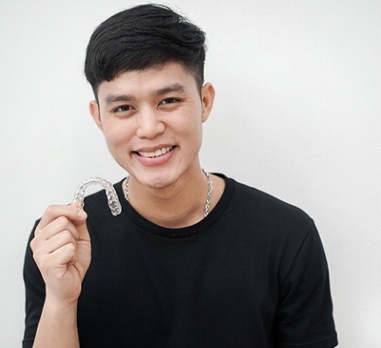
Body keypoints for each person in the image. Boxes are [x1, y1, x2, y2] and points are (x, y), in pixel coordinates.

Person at [23, 4, 338, 347]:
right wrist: (60, 298)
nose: (149, 128)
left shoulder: (287, 236)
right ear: (99, 117)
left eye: (169, 100)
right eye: (124, 108)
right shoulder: (59, 244)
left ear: (204, 102)